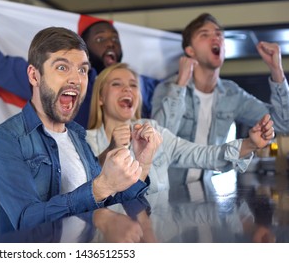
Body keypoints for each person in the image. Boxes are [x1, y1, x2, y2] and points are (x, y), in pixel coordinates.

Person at [0, 26, 162, 236]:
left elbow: (110, 202)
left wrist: (141, 162)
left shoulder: (76, 136)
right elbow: (26, 220)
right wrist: (99, 189)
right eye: (62, 67)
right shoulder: (3, 141)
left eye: (82, 70)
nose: (76, 79)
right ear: (34, 76)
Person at [0, 0, 159, 126]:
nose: (111, 43)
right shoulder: (51, 80)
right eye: (100, 39)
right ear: (85, 52)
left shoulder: (142, 85)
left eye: (115, 39)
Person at [86, 63, 275, 193]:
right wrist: (111, 149)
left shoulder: (153, 131)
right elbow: (84, 193)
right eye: (116, 84)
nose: (127, 89)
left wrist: (250, 144)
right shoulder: (84, 140)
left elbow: (204, 155)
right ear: (100, 98)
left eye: (133, 85)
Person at [151, 13, 289, 184]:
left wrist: (277, 70)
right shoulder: (168, 88)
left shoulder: (232, 94)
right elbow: (155, 142)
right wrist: (180, 85)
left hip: (205, 191)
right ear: (190, 50)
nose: (215, 38)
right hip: (167, 192)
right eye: (204, 35)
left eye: (218, 34)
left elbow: (283, 124)